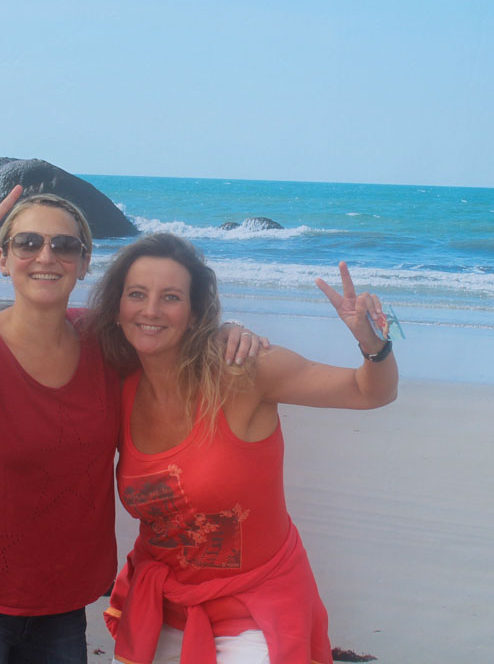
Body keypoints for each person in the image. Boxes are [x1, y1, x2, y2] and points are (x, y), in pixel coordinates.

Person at [0, 169, 262, 664]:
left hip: (57, 604)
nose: (46, 256)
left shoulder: (105, 344)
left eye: (65, 246)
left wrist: (228, 330)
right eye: (28, 242)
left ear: (84, 263)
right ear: (3, 258)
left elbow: (165, 327)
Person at [89, 233, 399, 664]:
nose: (151, 310)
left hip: (255, 609)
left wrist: (373, 343)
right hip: (162, 606)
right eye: (137, 294)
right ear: (117, 307)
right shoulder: (116, 386)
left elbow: (370, 392)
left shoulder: (244, 371)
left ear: (195, 312)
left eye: (171, 297)